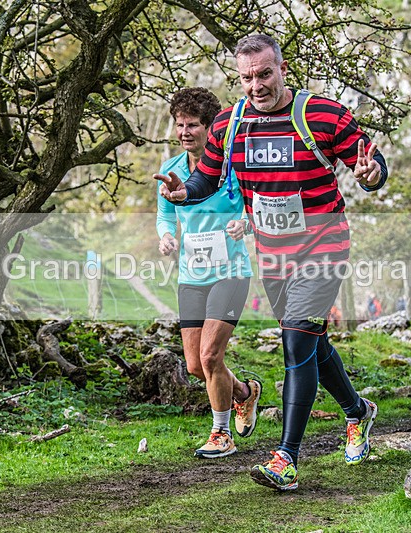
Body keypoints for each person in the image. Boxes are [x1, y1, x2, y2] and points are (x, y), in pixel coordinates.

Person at [155, 34, 387, 490]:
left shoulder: (322, 114)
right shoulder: (229, 124)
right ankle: (358, 411)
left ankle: (286, 458)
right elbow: (207, 178)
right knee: (311, 341)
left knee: (295, 340)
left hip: (323, 245)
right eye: (246, 78)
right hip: (273, 254)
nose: (256, 85)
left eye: (264, 74)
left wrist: (372, 174)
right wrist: (185, 193)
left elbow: (369, 162)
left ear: (282, 69)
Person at [155, 87, 262, 457]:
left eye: (193, 125)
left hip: (230, 272)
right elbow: (165, 215)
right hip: (191, 275)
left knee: (211, 356)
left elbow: (258, 205)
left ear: (210, 127)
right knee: (194, 365)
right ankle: (244, 393)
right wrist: (166, 236)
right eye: (180, 125)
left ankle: (221, 434)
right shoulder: (171, 170)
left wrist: (245, 224)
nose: (185, 132)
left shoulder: (233, 166)